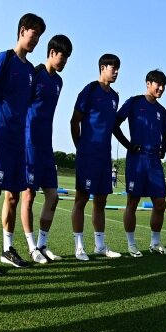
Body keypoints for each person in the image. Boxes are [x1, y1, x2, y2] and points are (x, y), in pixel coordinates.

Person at [0, 13, 43, 275]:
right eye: (33, 34)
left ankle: (8, 248)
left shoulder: (29, 70)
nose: (35, 40)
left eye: (39, 36)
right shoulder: (5, 58)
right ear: (22, 31)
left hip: (18, 141)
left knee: (13, 196)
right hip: (1, 138)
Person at [19, 33, 71, 264]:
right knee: (28, 195)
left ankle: (42, 244)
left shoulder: (59, 82)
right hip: (29, 143)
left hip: (46, 146)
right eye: (63, 56)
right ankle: (31, 247)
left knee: (53, 196)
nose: (65, 62)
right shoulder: (34, 74)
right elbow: (19, 104)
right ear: (51, 53)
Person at [70, 53, 121, 260]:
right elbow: (74, 120)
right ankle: (79, 246)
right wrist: (80, 147)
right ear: (102, 68)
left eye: (118, 68)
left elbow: (112, 126)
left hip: (104, 158)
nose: (116, 71)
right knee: (81, 199)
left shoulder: (114, 97)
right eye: (113, 67)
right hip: (87, 155)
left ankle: (100, 246)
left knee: (100, 201)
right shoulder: (89, 90)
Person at [113, 70, 166, 257]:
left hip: (154, 161)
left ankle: (155, 243)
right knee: (133, 201)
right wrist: (128, 145)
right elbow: (115, 124)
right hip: (136, 159)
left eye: (163, 85)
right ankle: (131, 244)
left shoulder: (162, 110)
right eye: (157, 84)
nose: (160, 88)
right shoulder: (134, 102)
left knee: (160, 202)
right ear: (148, 83)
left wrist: (164, 149)